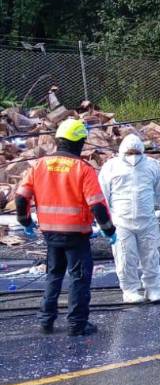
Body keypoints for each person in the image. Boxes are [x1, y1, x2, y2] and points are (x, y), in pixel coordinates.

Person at [16, 118, 117, 336]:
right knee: (79, 278)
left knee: (53, 275)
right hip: (76, 235)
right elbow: (97, 205)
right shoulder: (83, 168)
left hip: (50, 233)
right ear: (79, 142)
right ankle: (77, 324)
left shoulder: (39, 165)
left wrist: (25, 221)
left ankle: (46, 321)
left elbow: (21, 197)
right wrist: (109, 230)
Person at [99, 133, 160, 303]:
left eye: (136, 153)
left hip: (148, 221)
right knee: (125, 258)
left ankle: (153, 289)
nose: (133, 157)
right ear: (122, 152)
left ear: (142, 152)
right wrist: (104, 224)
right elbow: (102, 197)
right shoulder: (111, 167)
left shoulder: (152, 166)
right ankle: (130, 290)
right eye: (129, 153)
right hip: (121, 222)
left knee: (151, 257)